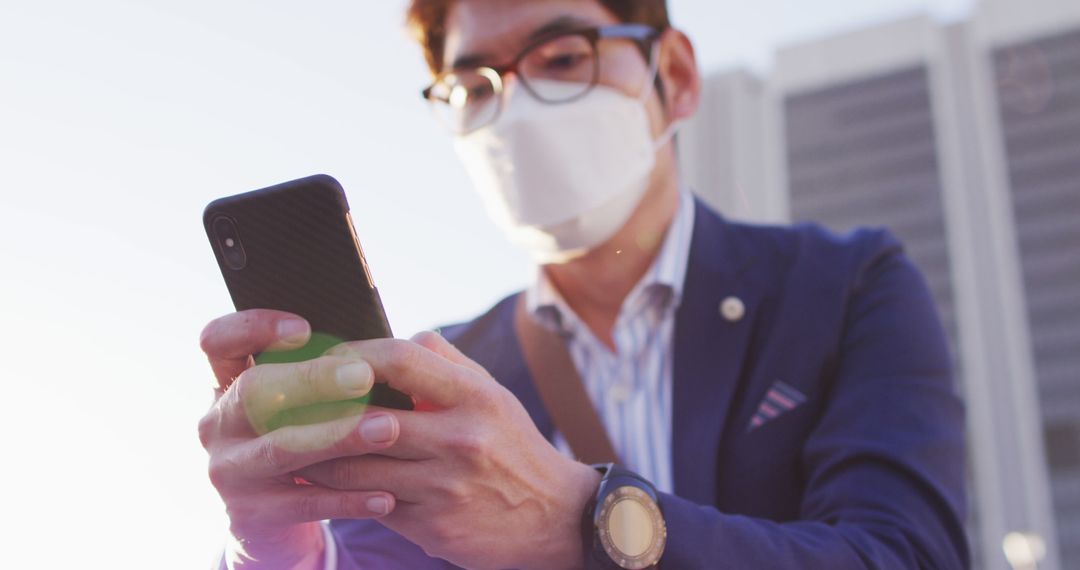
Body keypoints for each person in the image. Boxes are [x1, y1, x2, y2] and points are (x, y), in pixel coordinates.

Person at [198, 0, 969, 568]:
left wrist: (574, 520)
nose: (520, 109)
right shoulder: (442, 378)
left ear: (675, 74)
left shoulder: (842, 287)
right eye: (475, 88)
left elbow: (907, 554)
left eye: (563, 57)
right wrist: (281, 553)